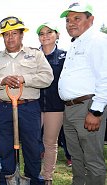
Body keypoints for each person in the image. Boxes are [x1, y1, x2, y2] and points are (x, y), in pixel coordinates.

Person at [0, 16, 53, 185]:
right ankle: (8, 179)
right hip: (4, 108)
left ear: (22, 35)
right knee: (5, 146)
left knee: (32, 147)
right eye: (6, 34)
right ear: (3, 37)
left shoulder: (35, 55)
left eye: (14, 33)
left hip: (29, 108)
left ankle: (33, 179)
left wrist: (24, 78)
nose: (10, 37)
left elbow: (47, 77)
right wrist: (2, 81)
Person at [58, 2, 107, 185]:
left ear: (91, 19)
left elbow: (105, 77)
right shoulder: (76, 43)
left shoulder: (98, 40)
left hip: (87, 108)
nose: (70, 23)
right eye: (68, 20)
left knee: (92, 159)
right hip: (70, 109)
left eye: (77, 18)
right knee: (76, 157)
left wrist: (96, 111)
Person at [36, 22, 66, 185]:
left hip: (55, 107)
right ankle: (32, 173)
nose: (45, 35)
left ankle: (47, 176)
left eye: (49, 32)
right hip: (33, 105)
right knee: (32, 141)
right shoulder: (32, 55)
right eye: (41, 33)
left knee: (50, 143)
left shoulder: (64, 56)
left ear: (57, 35)